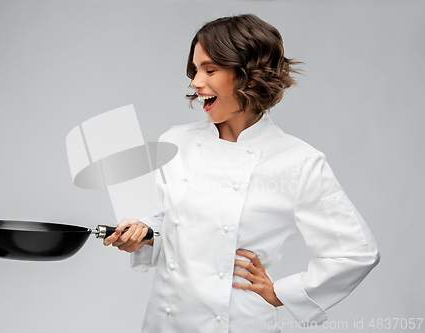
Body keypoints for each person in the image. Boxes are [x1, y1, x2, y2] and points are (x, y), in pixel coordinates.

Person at [103, 14, 380, 333]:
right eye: (195, 70)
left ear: (248, 75)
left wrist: (282, 293)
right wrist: (143, 234)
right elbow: (171, 223)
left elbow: (356, 252)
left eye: (209, 69)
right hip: (163, 323)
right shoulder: (176, 141)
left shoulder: (296, 162)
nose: (195, 82)